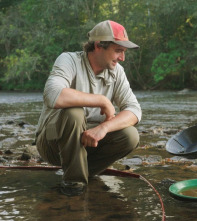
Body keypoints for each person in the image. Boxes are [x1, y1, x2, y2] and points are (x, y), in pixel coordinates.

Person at [35, 20, 142, 196]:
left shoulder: (117, 72)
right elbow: (52, 94)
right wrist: (101, 100)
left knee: (130, 135)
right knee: (74, 112)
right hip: (52, 144)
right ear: (99, 45)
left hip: (87, 144)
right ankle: (74, 185)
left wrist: (104, 128)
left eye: (123, 52)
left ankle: (80, 171)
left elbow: (134, 110)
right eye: (118, 51)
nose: (122, 58)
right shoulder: (69, 60)